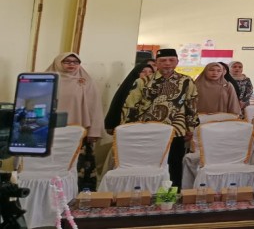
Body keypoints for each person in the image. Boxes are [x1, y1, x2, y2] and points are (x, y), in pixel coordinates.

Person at [121, 48, 198, 188]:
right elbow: (130, 106)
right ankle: (147, 193)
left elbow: (191, 105)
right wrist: (127, 128)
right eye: (163, 60)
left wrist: (190, 127)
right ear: (156, 63)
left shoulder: (186, 81)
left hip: (176, 130)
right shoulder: (143, 81)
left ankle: (170, 197)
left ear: (177, 62)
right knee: (149, 165)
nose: (167, 63)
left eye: (171, 60)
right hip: (147, 131)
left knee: (174, 165)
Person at [45, 52, 105, 191]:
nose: (71, 64)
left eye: (75, 62)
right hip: (51, 132)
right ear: (58, 63)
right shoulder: (48, 80)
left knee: (78, 166)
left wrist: (94, 131)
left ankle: (78, 194)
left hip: (78, 133)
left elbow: (95, 107)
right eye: (67, 61)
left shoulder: (86, 82)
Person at [105, 62, 155, 134]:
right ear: (136, 73)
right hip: (128, 126)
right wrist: (111, 124)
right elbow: (117, 105)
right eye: (143, 71)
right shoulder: (128, 87)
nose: (147, 74)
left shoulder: (155, 89)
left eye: (150, 72)